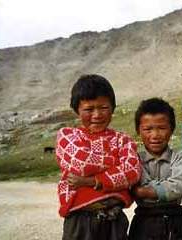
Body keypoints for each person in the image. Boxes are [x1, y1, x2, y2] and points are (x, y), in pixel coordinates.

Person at [55, 74, 141, 240]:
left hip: (113, 219)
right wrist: (115, 161)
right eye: (89, 109)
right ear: (77, 110)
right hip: (79, 219)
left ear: (113, 108)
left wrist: (90, 181)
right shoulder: (67, 136)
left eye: (103, 107)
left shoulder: (123, 139)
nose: (97, 115)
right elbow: (79, 163)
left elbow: (132, 172)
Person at [128, 98, 182, 240]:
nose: (155, 135)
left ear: (172, 129)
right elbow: (171, 188)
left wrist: (145, 191)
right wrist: (164, 188)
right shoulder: (134, 160)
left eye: (162, 128)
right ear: (138, 130)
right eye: (148, 129)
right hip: (144, 223)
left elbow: (177, 188)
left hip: (176, 223)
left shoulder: (180, 158)